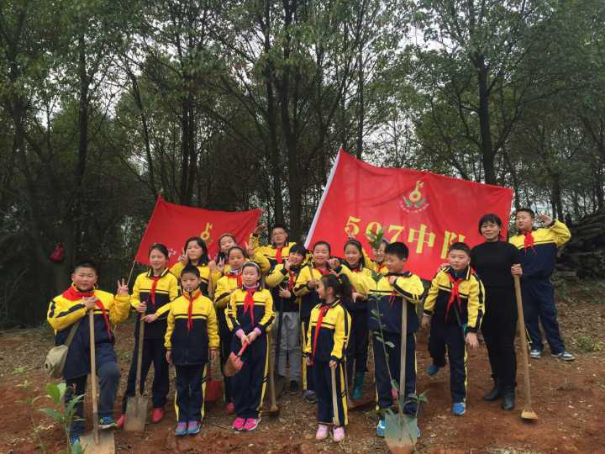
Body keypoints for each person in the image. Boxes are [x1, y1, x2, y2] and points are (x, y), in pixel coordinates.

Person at [47, 260, 130, 446]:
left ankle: (105, 416)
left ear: (96, 278)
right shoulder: (60, 300)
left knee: (111, 372)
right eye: (81, 275)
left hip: (101, 346)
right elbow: (55, 321)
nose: (85, 279)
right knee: (74, 391)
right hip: (73, 350)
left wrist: (123, 298)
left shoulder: (106, 297)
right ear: (73, 277)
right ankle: (76, 430)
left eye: (89, 276)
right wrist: (83, 307)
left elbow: (118, 317)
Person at [365, 242, 425, 437]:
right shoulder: (378, 278)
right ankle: (385, 414)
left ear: (403, 260)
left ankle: (409, 415)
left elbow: (418, 296)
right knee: (382, 374)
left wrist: (396, 284)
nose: (388, 263)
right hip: (381, 335)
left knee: (406, 374)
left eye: (392, 260)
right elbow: (361, 287)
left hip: (404, 335)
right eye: (386, 260)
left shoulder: (412, 279)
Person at [117, 244, 179, 427]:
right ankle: (127, 410)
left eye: (159, 257)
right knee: (137, 370)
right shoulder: (141, 277)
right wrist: (136, 305)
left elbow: (175, 302)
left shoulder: (172, 279)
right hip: (143, 331)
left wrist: (157, 314)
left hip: (162, 331)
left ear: (166, 259)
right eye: (153, 256)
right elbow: (133, 297)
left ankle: (159, 404)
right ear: (149, 259)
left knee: (161, 369)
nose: (156, 260)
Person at [422, 242, 485, 416]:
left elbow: (476, 307)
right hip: (438, 321)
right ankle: (438, 361)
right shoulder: (442, 273)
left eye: (461, 257)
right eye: (453, 256)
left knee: (457, 362)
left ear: (468, 260)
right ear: (448, 257)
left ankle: (458, 398)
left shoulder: (474, 281)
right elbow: (432, 293)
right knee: (434, 347)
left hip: (457, 326)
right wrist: (426, 314)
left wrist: (472, 331)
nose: (456, 260)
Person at [471, 214, 522, 411]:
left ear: (500, 228)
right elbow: (469, 275)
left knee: (506, 345)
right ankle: (498, 384)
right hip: (484, 304)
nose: (488, 229)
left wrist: (520, 273)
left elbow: (521, 273)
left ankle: (509, 389)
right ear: (480, 230)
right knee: (492, 345)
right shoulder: (476, 251)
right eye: (484, 226)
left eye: (492, 225)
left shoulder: (510, 249)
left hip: (506, 302)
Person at [509, 209, 574, 360]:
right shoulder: (513, 241)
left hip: (543, 283)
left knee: (549, 315)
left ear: (532, 220)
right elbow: (509, 261)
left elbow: (566, 235)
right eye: (517, 218)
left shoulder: (548, 234)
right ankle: (535, 346)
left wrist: (552, 223)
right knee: (528, 316)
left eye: (523, 217)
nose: (519, 220)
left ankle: (558, 349)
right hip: (523, 284)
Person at [293, 241, 352, 403]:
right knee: (309, 350)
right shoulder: (306, 270)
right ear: (312, 254)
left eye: (324, 251)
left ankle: (327, 383)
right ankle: (309, 387)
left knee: (328, 349)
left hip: (331, 318)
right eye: (317, 251)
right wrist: (308, 285)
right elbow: (296, 291)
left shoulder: (333, 271)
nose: (320, 254)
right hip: (310, 316)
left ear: (329, 254)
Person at [165, 265, 219, 436]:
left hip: (199, 352)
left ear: (199, 281)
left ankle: (195, 417)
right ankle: (182, 418)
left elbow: (212, 327)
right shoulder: (176, 303)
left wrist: (213, 346)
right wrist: (168, 347)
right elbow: (170, 327)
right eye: (185, 280)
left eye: (192, 280)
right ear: (180, 282)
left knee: (197, 386)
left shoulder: (207, 303)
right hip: (179, 352)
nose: (188, 283)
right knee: (181, 386)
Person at [226, 261, 275, 432]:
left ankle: (253, 413)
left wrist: (256, 332)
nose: (248, 276)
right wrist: (241, 334)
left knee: (256, 377)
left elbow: (270, 315)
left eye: (251, 273)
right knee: (239, 377)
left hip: (258, 341)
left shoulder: (266, 294)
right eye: (245, 273)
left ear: (258, 276)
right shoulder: (235, 294)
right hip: (239, 341)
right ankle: (241, 412)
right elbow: (230, 315)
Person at [304, 274, 352, 442]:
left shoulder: (341, 312)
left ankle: (338, 423)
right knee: (321, 391)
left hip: (332, 362)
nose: (317, 290)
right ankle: (323, 421)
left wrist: (336, 356)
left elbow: (342, 337)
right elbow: (310, 333)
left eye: (319, 287)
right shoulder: (316, 310)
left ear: (329, 290)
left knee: (336, 391)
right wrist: (309, 352)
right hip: (317, 359)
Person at [265, 244, 307, 392]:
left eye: (299, 255)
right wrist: (284, 269)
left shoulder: (304, 271)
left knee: (294, 346)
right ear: (288, 254)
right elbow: (270, 282)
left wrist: (291, 296)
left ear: (303, 258)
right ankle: (280, 376)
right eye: (293, 253)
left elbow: (304, 292)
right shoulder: (278, 267)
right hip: (278, 312)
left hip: (295, 312)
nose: (295, 257)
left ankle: (295, 378)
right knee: (280, 345)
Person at [213, 245, 248, 414]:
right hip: (228, 326)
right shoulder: (223, 280)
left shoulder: (250, 275)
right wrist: (232, 293)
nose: (235, 260)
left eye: (238, 257)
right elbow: (217, 301)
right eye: (232, 258)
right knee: (229, 359)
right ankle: (230, 397)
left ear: (244, 259)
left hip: (248, 324)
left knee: (247, 360)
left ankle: (247, 396)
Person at [341, 239, 372, 400]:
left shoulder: (367, 272)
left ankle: (358, 385)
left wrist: (362, 296)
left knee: (361, 348)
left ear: (360, 254)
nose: (351, 256)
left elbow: (372, 291)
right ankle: (345, 385)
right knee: (346, 349)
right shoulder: (339, 270)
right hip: (344, 315)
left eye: (354, 253)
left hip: (362, 314)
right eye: (348, 253)